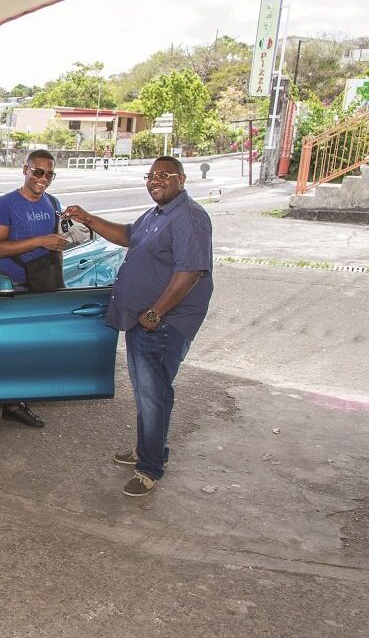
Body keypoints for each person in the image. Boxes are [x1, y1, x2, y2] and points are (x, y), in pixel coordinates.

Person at [63, 156, 213, 496]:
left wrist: (156, 313)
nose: (155, 180)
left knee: (154, 394)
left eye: (164, 175)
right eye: (151, 175)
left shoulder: (189, 216)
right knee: (146, 391)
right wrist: (87, 218)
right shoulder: (157, 214)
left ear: (182, 179)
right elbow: (128, 236)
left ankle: (150, 468)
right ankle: (149, 449)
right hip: (142, 320)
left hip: (162, 324)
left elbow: (190, 272)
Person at [0, 149, 69, 447]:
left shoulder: (52, 203)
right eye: (38, 172)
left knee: (31, 352)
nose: (43, 179)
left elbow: (56, 243)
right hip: (10, 288)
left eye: (49, 174)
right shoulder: (5, 204)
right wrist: (41, 240)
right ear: (24, 170)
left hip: (43, 286)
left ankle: (15, 406)